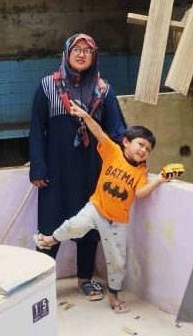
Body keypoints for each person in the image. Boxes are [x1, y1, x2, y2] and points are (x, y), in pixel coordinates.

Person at [35, 103, 167, 313]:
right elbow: (99, 132)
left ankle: (113, 295)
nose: (143, 150)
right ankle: (52, 238)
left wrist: (159, 180)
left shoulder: (142, 171)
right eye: (140, 144)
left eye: (148, 149)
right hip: (96, 208)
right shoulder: (113, 152)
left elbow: (140, 194)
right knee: (73, 226)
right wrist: (86, 116)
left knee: (117, 260)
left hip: (118, 221)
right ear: (125, 142)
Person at [29, 33, 127, 301]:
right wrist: (38, 167)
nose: (82, 54)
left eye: (88, 50)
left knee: (90, 225)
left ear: (94, 57)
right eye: (77, 49)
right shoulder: (47, 86)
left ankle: (85, 278)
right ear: (66, 53)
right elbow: (37, 129)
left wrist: (132, 156)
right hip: (56, 170)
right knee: (50, 222)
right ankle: (43, 283)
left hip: (92, 170)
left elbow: (117, 129)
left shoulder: (104, 91)